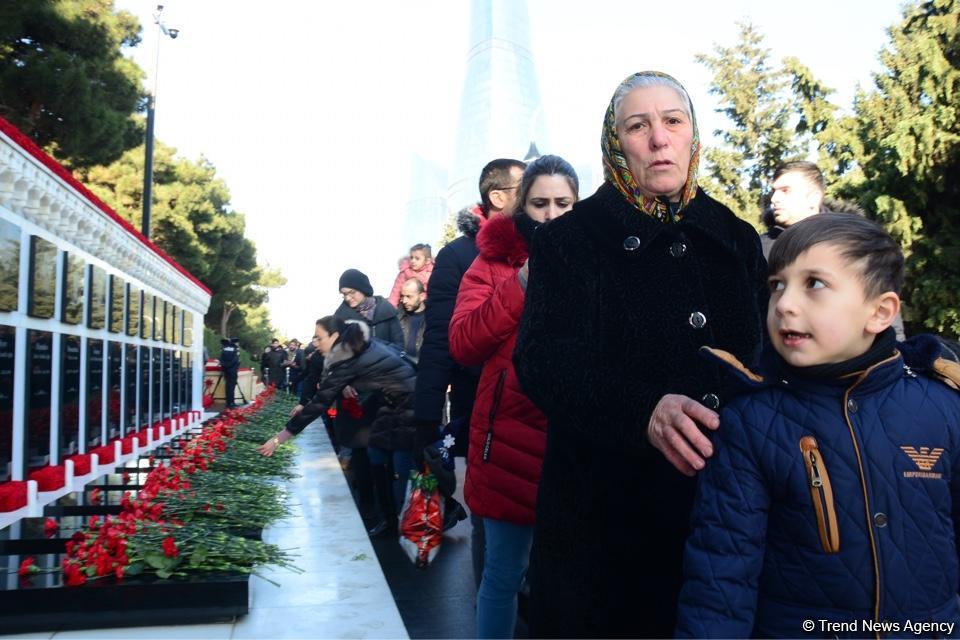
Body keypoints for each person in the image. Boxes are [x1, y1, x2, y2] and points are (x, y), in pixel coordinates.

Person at [513, 71, 768, 637]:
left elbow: (766, 360)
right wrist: (642, 408)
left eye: (673, 121)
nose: (659, 139)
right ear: (615, 145)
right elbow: (543, 361)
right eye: (638, 125)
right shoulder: (569, 241)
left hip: (725, 524)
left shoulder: (735, 238)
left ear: (692, 135)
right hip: (604, 535)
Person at [676, 213, 960, 637]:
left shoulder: (942, 407)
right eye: (777, 286)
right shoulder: (751, 422)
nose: (785, 304)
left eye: (815, 284)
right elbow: (722, 579)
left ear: (880, 312)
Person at [450, 155, 579, 639]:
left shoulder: (602, 261)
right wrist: (522, 281)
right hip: (508, 446)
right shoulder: (493, 262)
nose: (551, 214)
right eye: (540, 203)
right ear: (522, 207)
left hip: (576, 445)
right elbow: (463, 342)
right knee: (503, 576)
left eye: (563, 203)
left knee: (568, 582)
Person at [413, 157, 525, 585]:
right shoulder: (459, 256)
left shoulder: (547, 243)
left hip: (541, 406)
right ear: (498, 197)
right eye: (525, 186)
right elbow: (439, 337)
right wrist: (426, 414)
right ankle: (490, 606)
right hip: (483, 405)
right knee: (490, 519)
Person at [258, 317, 417, 537]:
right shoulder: (361, 344)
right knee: (377, 457)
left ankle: (411, 523)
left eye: (318, 337)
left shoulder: (348, 358)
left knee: (403, 469)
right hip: (392, 407)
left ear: (334, 337)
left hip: (406, 408)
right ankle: (390, 520)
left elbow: (321, 402)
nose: (314, 343)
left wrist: (280, 437)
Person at [765, 160, 906, 340]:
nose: (774, 199)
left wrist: (895, 352)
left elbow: (880, 297)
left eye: (785, 191)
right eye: (778, 285)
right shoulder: (759, 248)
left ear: (813, 198)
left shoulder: (857, 243)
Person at [334, 268, 403, 347]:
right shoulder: (340, 317)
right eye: (344, 294)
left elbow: (399, 345)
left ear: (363, 289)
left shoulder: (387, 310)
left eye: (351, 292)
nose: (348, 298)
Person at [397, 278, 427, 363]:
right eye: (402, 296)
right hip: (402, 369)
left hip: (423, 369)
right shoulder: (398, 316)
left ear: (422, 296)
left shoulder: (432, 318)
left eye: (409, 296)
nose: (404, 301)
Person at [218, 337, 240, 408]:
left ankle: (228, 402)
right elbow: (235, 360)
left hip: (226, 370)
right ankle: (231, 403)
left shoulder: (224, 348)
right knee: (232, 387)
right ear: (236, 342)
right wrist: (230, 366)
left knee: (228, 386)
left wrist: (225, 366)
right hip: (232, 370)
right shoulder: (235, 349)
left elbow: (221, 358)